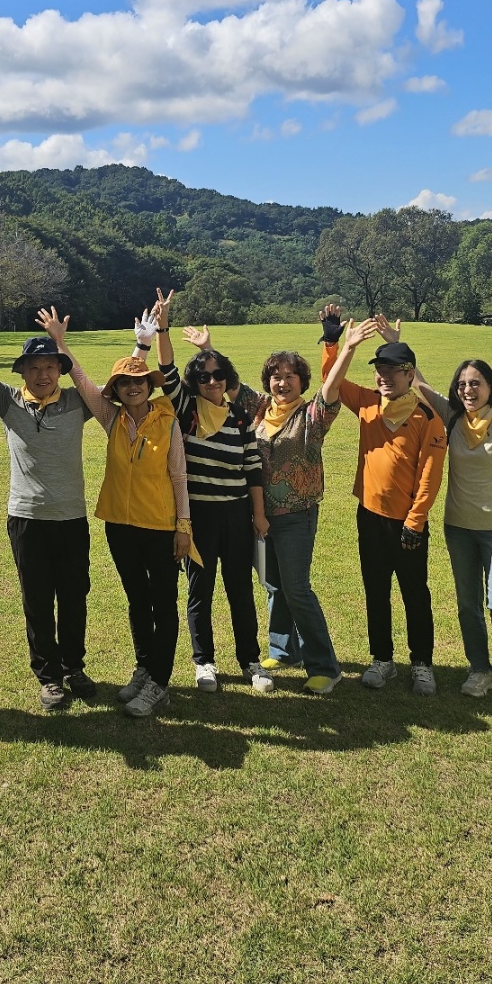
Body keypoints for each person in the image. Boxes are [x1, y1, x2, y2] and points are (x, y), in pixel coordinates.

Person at [183, 314, 378, 694]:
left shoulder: (312, 415)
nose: (282, 383)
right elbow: (224, 382)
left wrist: (347, 347)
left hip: (295, 515)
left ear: (302, 381)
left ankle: (325, 667)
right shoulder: (259, 408)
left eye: (290, 376)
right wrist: (207, 349)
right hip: (256, 516)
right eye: (276, 376)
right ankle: (284, 649)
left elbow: (332, 387)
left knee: (296, 588)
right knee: (273, 585)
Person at [384, 310, 492, 697]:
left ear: (490, 387)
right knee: (468, 604)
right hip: (459, 527)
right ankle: (479, 669)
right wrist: (397, 346)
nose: (468, 390)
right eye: (462, 384)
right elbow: (420, 385)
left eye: (475, 383)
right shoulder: (452, 417)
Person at [39, 306, 191, 719]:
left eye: (138, 381)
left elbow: (179, 477)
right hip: (121, 528)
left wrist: (183, 528)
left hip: (160, 527)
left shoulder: (167, 421)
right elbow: (82, 381)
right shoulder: (112, 418)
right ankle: (144, 667)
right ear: (118, 391)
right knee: (137, 600)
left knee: (163, 604)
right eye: (124, 383)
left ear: (148, 385)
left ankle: (159, 683)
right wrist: (60, 342)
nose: (133, 387)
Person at [0, 278, 97, 713]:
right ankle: (49, 677)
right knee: (37, 602)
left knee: (74, 598)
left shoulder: (76, 402)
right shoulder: (8, 402)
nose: (43, 374)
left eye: (50, 366)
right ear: (21, 372)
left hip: (71, 518)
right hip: (27, 519)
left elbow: (105, 391)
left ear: (59, 370)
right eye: (34, 367)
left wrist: (63, 343)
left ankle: (74, 667)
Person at [146, 289, 273, 695]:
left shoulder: (240, 417)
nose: (213, 382)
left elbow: (253, 468)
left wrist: (258, 515)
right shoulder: (187, 409)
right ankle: (204, 662)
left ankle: (251, 660)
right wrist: (163, 327)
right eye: (204, 377)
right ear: (195, 383)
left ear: (227, 379)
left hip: (236, 515)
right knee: (200, 591)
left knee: (240, 589)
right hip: (199, 516)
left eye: (218, 376)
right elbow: (166, 370)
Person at [319, 305, 447, 696]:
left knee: (415, 592)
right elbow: (331, 383)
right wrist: (333, 342)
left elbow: (430, 475)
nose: (384, 377)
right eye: (379, 370)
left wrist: (416, 520)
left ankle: (421, 663)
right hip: (370, 515)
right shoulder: (369, 402)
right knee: (376, 589)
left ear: (410, 374)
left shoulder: (427, 417)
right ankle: (382, 659)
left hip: (408, 522)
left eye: (392, 371)